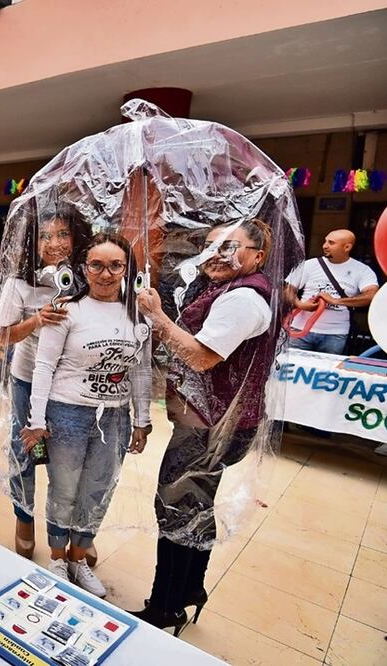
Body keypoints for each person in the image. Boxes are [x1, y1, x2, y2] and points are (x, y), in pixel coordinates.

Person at [134, 218, 278, 635]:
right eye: (211, 246)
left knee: (174, 510)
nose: (216, 254)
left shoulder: (244, 299)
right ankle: (191, 588)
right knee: (195, 506)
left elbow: (201, 357)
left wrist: (158, 316)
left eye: (230, 247)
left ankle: (165, 607)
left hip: (209, 428)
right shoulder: (226, 290)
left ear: (257, 256)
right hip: (216, 422)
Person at [20, 233, 152, 597]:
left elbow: (141, 371)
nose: (106, 274)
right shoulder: (66, 311)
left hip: (114, 418)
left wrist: (141, 418)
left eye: (115, 265)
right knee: (64, 490)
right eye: (97, 265)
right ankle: (59, 559)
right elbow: (43, 367)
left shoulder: (140, 315)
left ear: (127, 269)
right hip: (67, 414)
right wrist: (37, 419)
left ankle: (79, 559)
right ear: (83, 268)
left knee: (97, 491)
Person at [0, 207, 90, 561]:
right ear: (33, 242)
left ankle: (74, 529)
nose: (54, 244)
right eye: (45, 236)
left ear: (77, 238)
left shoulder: (88, 275)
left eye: (62, 234)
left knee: (73, 457)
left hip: (73, 384)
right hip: (28, 378)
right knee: (26, 450)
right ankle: (24, 516)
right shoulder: (20, 283)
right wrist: (36, 321)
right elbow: (3, 336)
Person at [285, 229, 378, 355]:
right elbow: (287, 289)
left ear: (347, 247)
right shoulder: (310, 265)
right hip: (299, 330)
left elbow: (371, 296)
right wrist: (300, 304)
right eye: (325, 241)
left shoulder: (362, 270)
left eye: (331, 243)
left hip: (335, 334)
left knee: (327, 371)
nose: (325, 246)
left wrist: (336, 301)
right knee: (291, 370)